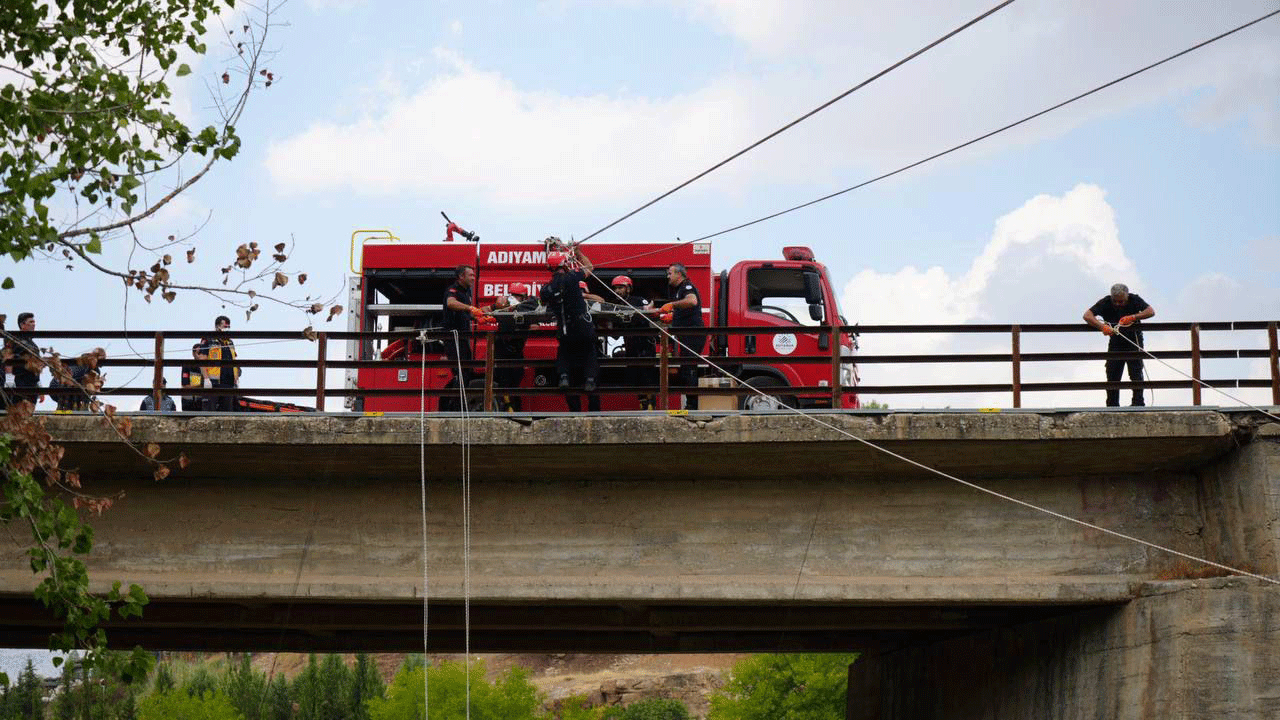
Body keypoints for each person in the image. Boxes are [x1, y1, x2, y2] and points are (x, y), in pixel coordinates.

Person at [540, 248, 600, 412]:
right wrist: (578, 252)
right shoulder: (573, 277)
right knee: (590, 350)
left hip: (564, 328)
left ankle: (564, 376)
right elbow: (589, 267)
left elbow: (544, 303)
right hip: (582, 326)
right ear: (565, 264)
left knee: (564, 351)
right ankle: (590, 380)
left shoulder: (546, 289)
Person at [441, 265, 506, 411]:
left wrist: (493, 308)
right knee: (460, 374)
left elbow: (473, 313)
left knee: (466, 373)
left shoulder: (466, 293)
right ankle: (456, 410)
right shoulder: (453, 290)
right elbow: (451, 303)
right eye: (470, 275)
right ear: (461, 276)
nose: (473, 278)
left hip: (463, 340)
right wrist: (470, 308)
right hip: (453, 339)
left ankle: (460, 408)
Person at [1083, 283, 1155, 407]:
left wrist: (1133, 317)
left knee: (1136, 372)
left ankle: (1138, 403)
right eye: (1115, 301)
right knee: (1112, 373)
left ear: (1127, 296)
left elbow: (1150, 311)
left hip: (1134, 340)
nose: (1118, 304)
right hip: (1115, 342)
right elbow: (1087, 315)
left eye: (1121, 301)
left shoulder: (1134, 299)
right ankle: (1112, 405)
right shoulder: (1106, 302)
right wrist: (1102, 327)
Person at [658, 263, 706, 410]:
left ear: (679, 274)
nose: (668, 276)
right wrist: (674, 317)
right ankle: (691, 404)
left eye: (670, 273)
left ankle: (692, 406)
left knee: (689, 368)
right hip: (687, 335)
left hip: (693, 334)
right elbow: (687, 311)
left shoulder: (686, 287)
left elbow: (692, 301)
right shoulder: (679, 290)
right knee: (686, 368)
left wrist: (672, 305)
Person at [609, 275, 657, 409]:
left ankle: (651, 405)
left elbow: (649, 311)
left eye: (620, 288)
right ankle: (643, 404)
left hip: (645, 345)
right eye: (615, 288)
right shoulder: (614, 305)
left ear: (628, 289)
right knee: (635, 377)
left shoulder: (639, 300)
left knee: (647, 376)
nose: (617, 291)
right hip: (630, 346)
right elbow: (615, 330)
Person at [494, 282, 539, 412]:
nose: (514, 298)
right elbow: (490, 310)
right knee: (505, 382)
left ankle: (514, 409)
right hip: (503, 351)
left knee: (516, 379)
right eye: (513, 295)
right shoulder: (504, 307)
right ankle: (508, 408)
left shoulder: (528, 307)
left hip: (516, 351)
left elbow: (536, 325)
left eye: (517, 296)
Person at [199, 315, 239, 412]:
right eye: (224, 326)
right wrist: (206, 379)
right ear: (217, 326)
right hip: (214, 383)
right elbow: (202, 359)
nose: (227, 329)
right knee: (210, 411)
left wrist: (236, 377)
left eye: (228, 327)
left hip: (229, 383)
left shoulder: (230, 342)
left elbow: (234, 361)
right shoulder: (208, 339)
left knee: (227, 413)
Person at [4, 312, 43, 407]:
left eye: (34, 322)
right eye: (31, 322)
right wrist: (9, 378)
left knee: (29, 410)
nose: (34, 324)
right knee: (18, 409)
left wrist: (39, 384)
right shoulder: (14, 339)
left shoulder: (34, 346)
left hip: (32, 384)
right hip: (20, 381)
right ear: (22, 325)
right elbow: (8, 356)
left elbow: (37, 365)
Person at [181, 343, 208, 411]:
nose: (199, 355)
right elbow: (185, 384)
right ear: (193, 354)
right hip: (188, 401)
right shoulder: (187, 365)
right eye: (198, 352)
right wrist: (202, 385)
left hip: (201, 400)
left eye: (201, 352)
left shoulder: (207, 367)